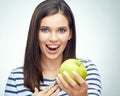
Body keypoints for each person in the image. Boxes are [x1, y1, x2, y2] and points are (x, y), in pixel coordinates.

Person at [4, 0, 102, 96]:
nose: (53, 39)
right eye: (45, 29)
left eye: (62, 30)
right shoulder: (16, 78)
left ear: (70, 34)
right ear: (35, 33)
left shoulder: (88, 70)